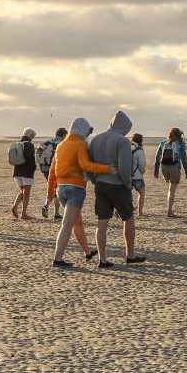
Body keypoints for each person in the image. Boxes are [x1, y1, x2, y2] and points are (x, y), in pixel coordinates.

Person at [87, 111, 145, 268]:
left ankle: (102, 259)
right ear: (124, 126)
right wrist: (127, 184)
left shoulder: (96, 139)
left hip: (100, 185)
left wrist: (95, 179)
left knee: (102, 222)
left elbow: (89, 164)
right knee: (128, 218)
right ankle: (130, 255)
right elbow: (124, 168)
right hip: (118, 185)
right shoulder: (122, 141)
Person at [51, 117, 111, 267]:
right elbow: (86, 165)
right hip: (75, 189)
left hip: (61, 188)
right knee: (67, 224)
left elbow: (53, 169)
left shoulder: (61, 145)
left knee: (77, 222)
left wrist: (50, 191)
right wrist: (107, 169)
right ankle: (57, 259)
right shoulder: (80, 144)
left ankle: (87, 252)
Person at [153, 127, 187, 217]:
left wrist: (156, 171)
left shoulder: (163, 143)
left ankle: (169, 210)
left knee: (170, 186)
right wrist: (186, 172)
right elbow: (184, 159)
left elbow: (157, 157)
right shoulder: (181, 144)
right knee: (172, 190)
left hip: (164, 168)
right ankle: (169, 211)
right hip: (175, 167)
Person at [38, 127, 66, 219]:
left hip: (45, 168)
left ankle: (46, 206)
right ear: (64, 135)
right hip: (56, 169)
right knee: (56, 190)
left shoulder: (47, 142)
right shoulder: (62, 143)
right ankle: (56, 213)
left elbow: (39, 152)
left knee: (52, 188)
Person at [10, 128, 37, 219]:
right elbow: (30, 159)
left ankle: (15, 206)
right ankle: (23, 214)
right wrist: (34, 168)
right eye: (33, 136)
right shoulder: (29, 145)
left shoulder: (18, 144)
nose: (33, 137)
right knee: (26, 193)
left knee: (23, 191)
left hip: (16, 171)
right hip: (26, 172)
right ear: (30, 135)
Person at [130, 132, 148, 219]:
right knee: (141, 193)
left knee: (125, 194)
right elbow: (142, 164)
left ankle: (121, 211)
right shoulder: (139, 150)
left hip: (126, 175)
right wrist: (142, 172)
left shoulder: (125, 148)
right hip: (137, 175)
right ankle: (140, 212)